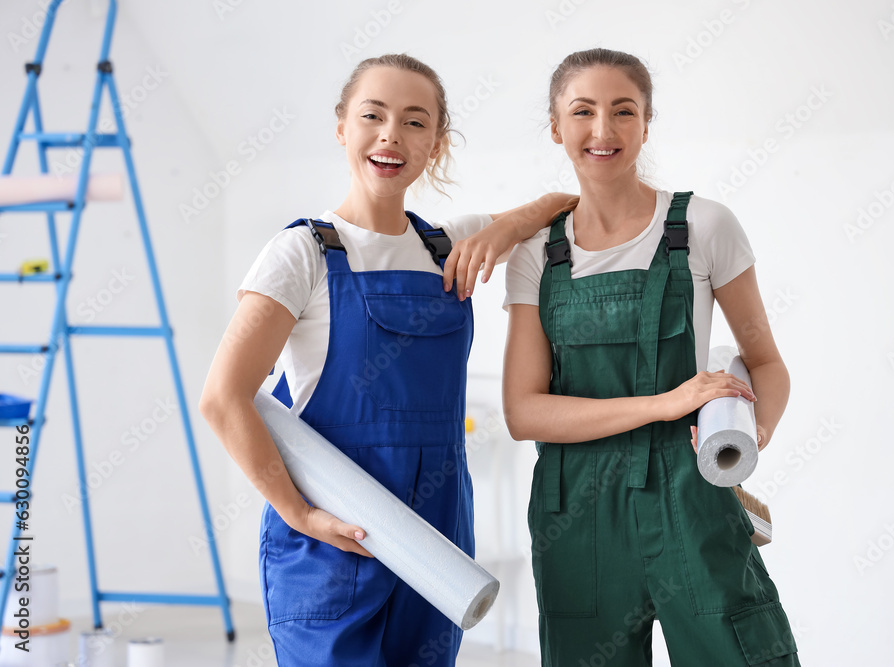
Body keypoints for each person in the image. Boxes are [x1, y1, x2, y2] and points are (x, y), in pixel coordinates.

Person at [199, 53, 573, 667]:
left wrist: (504, 229)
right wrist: (302, 515)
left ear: (436, 144)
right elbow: (223, 398)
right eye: (372, 115)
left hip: (435, 531)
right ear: (342, 127)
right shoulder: (303, 253)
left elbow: (567, 206)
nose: (390, 136)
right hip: (333, 535)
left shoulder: (448, 247)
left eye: (415, 122)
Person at [502, 48, 800, 666]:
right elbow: (524, 411)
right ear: (557, 127)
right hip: (574, 511)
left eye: (624, 111)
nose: (603, 130)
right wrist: (667, 403)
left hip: (690, 492)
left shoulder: (704, 227)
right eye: (582, 112)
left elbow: (765, 363)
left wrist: (747, 439)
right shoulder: (536, 253)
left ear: (646, 121)